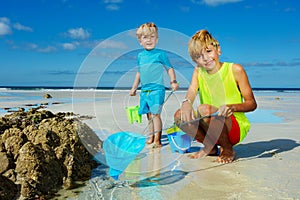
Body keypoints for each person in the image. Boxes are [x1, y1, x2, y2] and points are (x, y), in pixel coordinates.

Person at [174, 29, 257, 163]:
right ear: (195, 60)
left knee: (204, 109)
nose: (205, 58)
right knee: (179, 115)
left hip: (233, 127)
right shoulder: (198, 71)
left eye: (208, 51)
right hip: (210, 128)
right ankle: (210, 146)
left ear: (218, 50)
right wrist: (186, 102)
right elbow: (192, 91)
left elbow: (252, 104)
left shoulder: (235, 69)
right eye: (199, 56)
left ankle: (227, 148)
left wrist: (232, 107)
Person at [130, 22, 179, 148]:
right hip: (144, 90)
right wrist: (134, 87)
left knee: (156, 114)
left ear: (156, 39)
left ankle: (158, 139)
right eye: (145, 37)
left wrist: (173, 81)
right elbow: (139, 72)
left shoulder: (160, 54)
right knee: (148, 115)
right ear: (140, 41)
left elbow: (169, 68)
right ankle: (150, 136)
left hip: (157, 89)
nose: (149, 40)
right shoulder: (140, 56)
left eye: (152, 37)